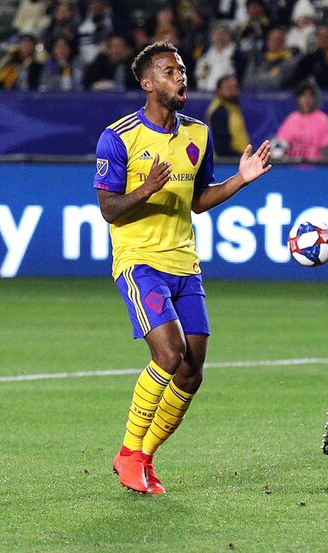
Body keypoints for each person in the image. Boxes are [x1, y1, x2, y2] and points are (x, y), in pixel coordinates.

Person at [93, 41, 271, 494]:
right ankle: (129, 454)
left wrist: (239, 180)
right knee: (169, 356)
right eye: (170, 72)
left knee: (192, 372)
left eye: (183, 71)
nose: (181, 78)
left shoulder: (198, 133)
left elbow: (197, 200)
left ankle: (145, 457)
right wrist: (146, 190)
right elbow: (109, 209)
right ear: (148, 83)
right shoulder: (118, 138)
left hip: (184, 265)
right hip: (140, 263)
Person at [273, 80, 328, 160]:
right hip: (292, 170)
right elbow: (278, 146)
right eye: (303, 95)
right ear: (298, 98)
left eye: (310, 96)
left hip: (315, 170)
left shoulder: (323, 120)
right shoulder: (292, 119)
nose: (307, 100)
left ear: (314, 99)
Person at [206, 74, 251, 157]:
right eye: (228, 88)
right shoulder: (218, 112)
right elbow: (221, 146)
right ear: (218, 91)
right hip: (227, 164)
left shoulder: (233, 109)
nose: (233, 91)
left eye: (235, 87)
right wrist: (239, 157)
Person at [194, 22, 245, 91]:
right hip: (206, 94)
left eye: (224, 34)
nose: (220, 37)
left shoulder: (237, 55)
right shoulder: (206, 55)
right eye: (217, 34)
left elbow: (239, 76)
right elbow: (199, 75)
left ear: (230, 36)